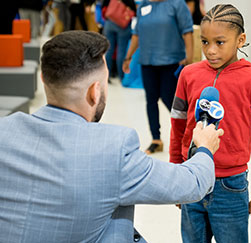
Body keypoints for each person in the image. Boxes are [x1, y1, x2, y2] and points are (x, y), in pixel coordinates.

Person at [0, 30, 224, 243]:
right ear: (94, 92)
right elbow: (192, 184)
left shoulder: (5, 130)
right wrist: (204, 147)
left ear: (43, 79)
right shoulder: (112, 148)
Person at [169, 4, 251, 243]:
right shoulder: (188, 75)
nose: (210, 51)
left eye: (220, 42)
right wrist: (176, 175)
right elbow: (178, 126)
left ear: (240, 40)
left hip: (230, 186)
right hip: (191, 179)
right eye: (204, 42)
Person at [123, 0, 193, 154]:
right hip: (148, 61)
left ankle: (189, 132)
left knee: (170, 99)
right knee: (151, 100)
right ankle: (156, 139)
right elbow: (136, 35)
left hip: (172, 61)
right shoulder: (143, 6)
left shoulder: (176, 4)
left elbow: (187, 32)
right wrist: (128, 57)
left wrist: (190, 59)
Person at [102, 0, 136, 81]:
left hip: (109, 23)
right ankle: (121, 76)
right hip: (122, 25)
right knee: (121, 51)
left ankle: (106, 75)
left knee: (109, 50)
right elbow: (134, 9)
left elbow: (104, 5)